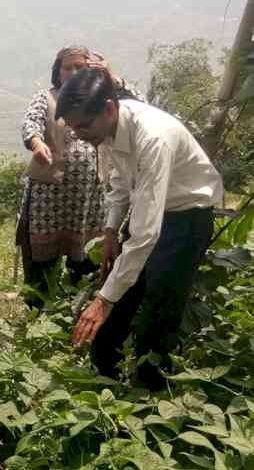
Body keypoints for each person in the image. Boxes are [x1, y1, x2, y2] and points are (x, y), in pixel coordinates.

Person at [58, 67, 223, 389]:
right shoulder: (107, 130)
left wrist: (101, 302)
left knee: (157, 315)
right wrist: (110, 232)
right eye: (74, 128)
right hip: (152, 213)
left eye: (84, 126)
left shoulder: (153, 137)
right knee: (116, 308)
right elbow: (120, 183)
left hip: (187, 217)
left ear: (108, 108)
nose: (79, 135)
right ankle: (106, 386)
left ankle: (151, 398)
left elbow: (146, 232)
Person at [17, 46, 143, 305]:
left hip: (89, 198)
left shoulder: (104, 100)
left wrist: (113, 79)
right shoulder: (47, 97)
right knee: (43, 266)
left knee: (86, 260)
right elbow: (31, 122)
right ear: (57, 71)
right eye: (67, 67)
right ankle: (38, 315)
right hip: (49, 199)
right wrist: (37, 142)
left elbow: (141, 105)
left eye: (80, 67)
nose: (73, 72)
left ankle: (76, 312)